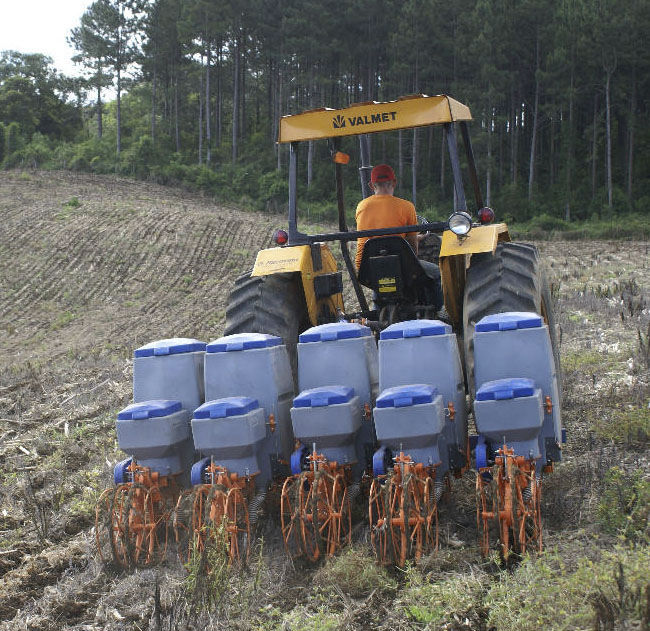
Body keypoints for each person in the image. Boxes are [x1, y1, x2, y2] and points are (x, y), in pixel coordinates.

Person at [354, 163, 443, 312]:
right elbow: (412, 247)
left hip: (367, 268)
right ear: (394, 182)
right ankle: (437, 311)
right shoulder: (407, 207)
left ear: (371, 185)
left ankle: (379, 309)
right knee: (435, 272)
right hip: (402, 266)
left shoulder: (361, 206)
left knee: (381, 272)